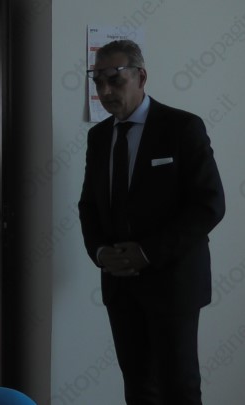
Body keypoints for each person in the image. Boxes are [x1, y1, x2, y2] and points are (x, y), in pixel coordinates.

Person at [78, 40, 225, 404]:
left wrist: (147, 252)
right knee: (138, 386)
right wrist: (100, 253)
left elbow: (209, 205)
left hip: (173, 282)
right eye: (98, 82)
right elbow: (89, 205)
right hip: (120, 285)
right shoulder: (99, 137)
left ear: (141, 77)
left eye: (115, 79)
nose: (105, 91)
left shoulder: (182, 127)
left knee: (179, 388)